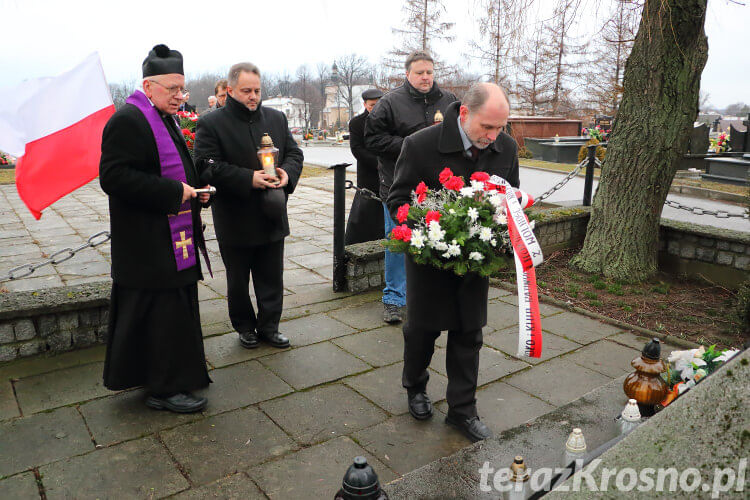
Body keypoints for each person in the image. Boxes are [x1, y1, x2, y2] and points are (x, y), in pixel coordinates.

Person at [386, 82, 520, 442]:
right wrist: (434, 232)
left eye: (500, 128)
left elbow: (511, 199)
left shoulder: (506, 148)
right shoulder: (421, 145)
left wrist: (503, 234)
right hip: (430, 261)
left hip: (475, 263)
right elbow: (397, 200)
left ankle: (462, 410)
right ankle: (415, 387)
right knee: (422, 331)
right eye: (486, 127)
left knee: (469, 333)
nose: (493, 137)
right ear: (463, 114)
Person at [99, 44, 213, 413]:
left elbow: (178, 167)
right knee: (161, 315)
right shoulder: (128, 120)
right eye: (173, 90)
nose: (181, 97)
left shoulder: (165, 117)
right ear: (149, 87)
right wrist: (172, 192)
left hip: (170, 234)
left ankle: (180, 374)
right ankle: (164, 389)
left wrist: (196, 193)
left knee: (175, 310)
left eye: (183, 89)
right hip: (147, 241)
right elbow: (113, 177)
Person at [194, 62, 303, 350]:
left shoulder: (276, 118)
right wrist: (248, 178)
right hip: (235, 216)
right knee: (238, 281)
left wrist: (286, 174)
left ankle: (270, 326)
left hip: (271, 211)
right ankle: (244, 326)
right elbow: (206, 166)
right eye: (246, 91)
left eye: (256, 90)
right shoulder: (211, 123)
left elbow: (294, 153)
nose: (253, 96)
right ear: (230, 90)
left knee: (271, 276)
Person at [364, 50, 457, 324]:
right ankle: (394, 298)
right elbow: (373, 139)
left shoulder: (449, 101)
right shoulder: (390, 103)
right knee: (397, 242)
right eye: (419, 73)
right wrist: (410, 146)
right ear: (407, 74)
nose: (425, 77)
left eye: (429, 72)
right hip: (399, 186)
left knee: (439, 238)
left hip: (438, 189)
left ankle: (435, 294)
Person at [345, 88, 384, 245]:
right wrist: (378, 163)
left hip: (388, 173)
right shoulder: (357, 123)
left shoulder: (390, 120)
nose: (375, 108)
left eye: (378, 104)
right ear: (365, 104)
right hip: (368, 173)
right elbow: (357, 149)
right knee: (365, 213)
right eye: (372, 105)